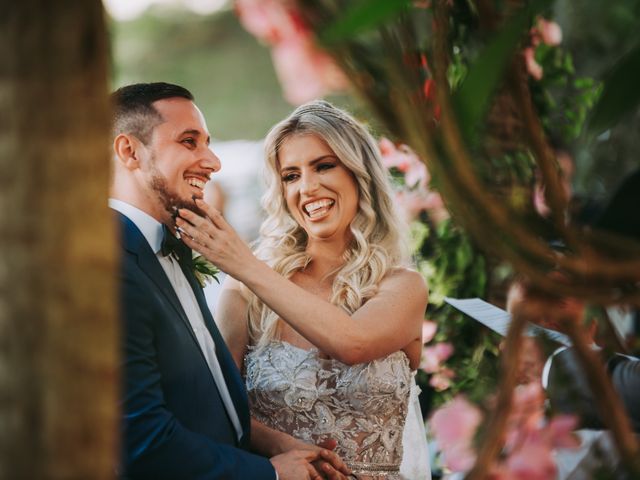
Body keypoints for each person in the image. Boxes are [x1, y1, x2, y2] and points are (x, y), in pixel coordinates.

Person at [176, 100, 431, 479]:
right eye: (291, 175)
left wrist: (245, 264)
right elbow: (218, 406)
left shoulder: (402, 286)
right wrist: (278, 444)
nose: (307, 187)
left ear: (359, 173)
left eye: (324, 166)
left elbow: (354, 343)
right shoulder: (244, 292)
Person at [110, 83, 349, 479]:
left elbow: (199, 396)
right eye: (190, 142)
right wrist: (269, 474)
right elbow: (141, 437)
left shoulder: (172, 247)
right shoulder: (111, 262)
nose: (213, 161)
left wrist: (273, 442)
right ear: (129, 151)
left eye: (208, 143)